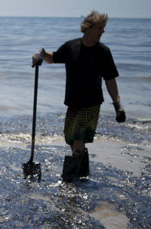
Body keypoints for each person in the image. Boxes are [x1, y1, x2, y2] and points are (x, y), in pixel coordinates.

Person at [32, 10, 126, 180]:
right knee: (71, 138)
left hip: (91, 104)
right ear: (88, 27)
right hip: (73, 103)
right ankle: (82, 174)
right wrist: (43, 54)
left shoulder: (103, 52)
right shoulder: (71, 47)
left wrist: (118, 105)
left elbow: (110, 80)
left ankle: (70, 179)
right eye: (100, 27)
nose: (102, 32)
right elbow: (54, 58)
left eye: (103, 28)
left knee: (78, 138)